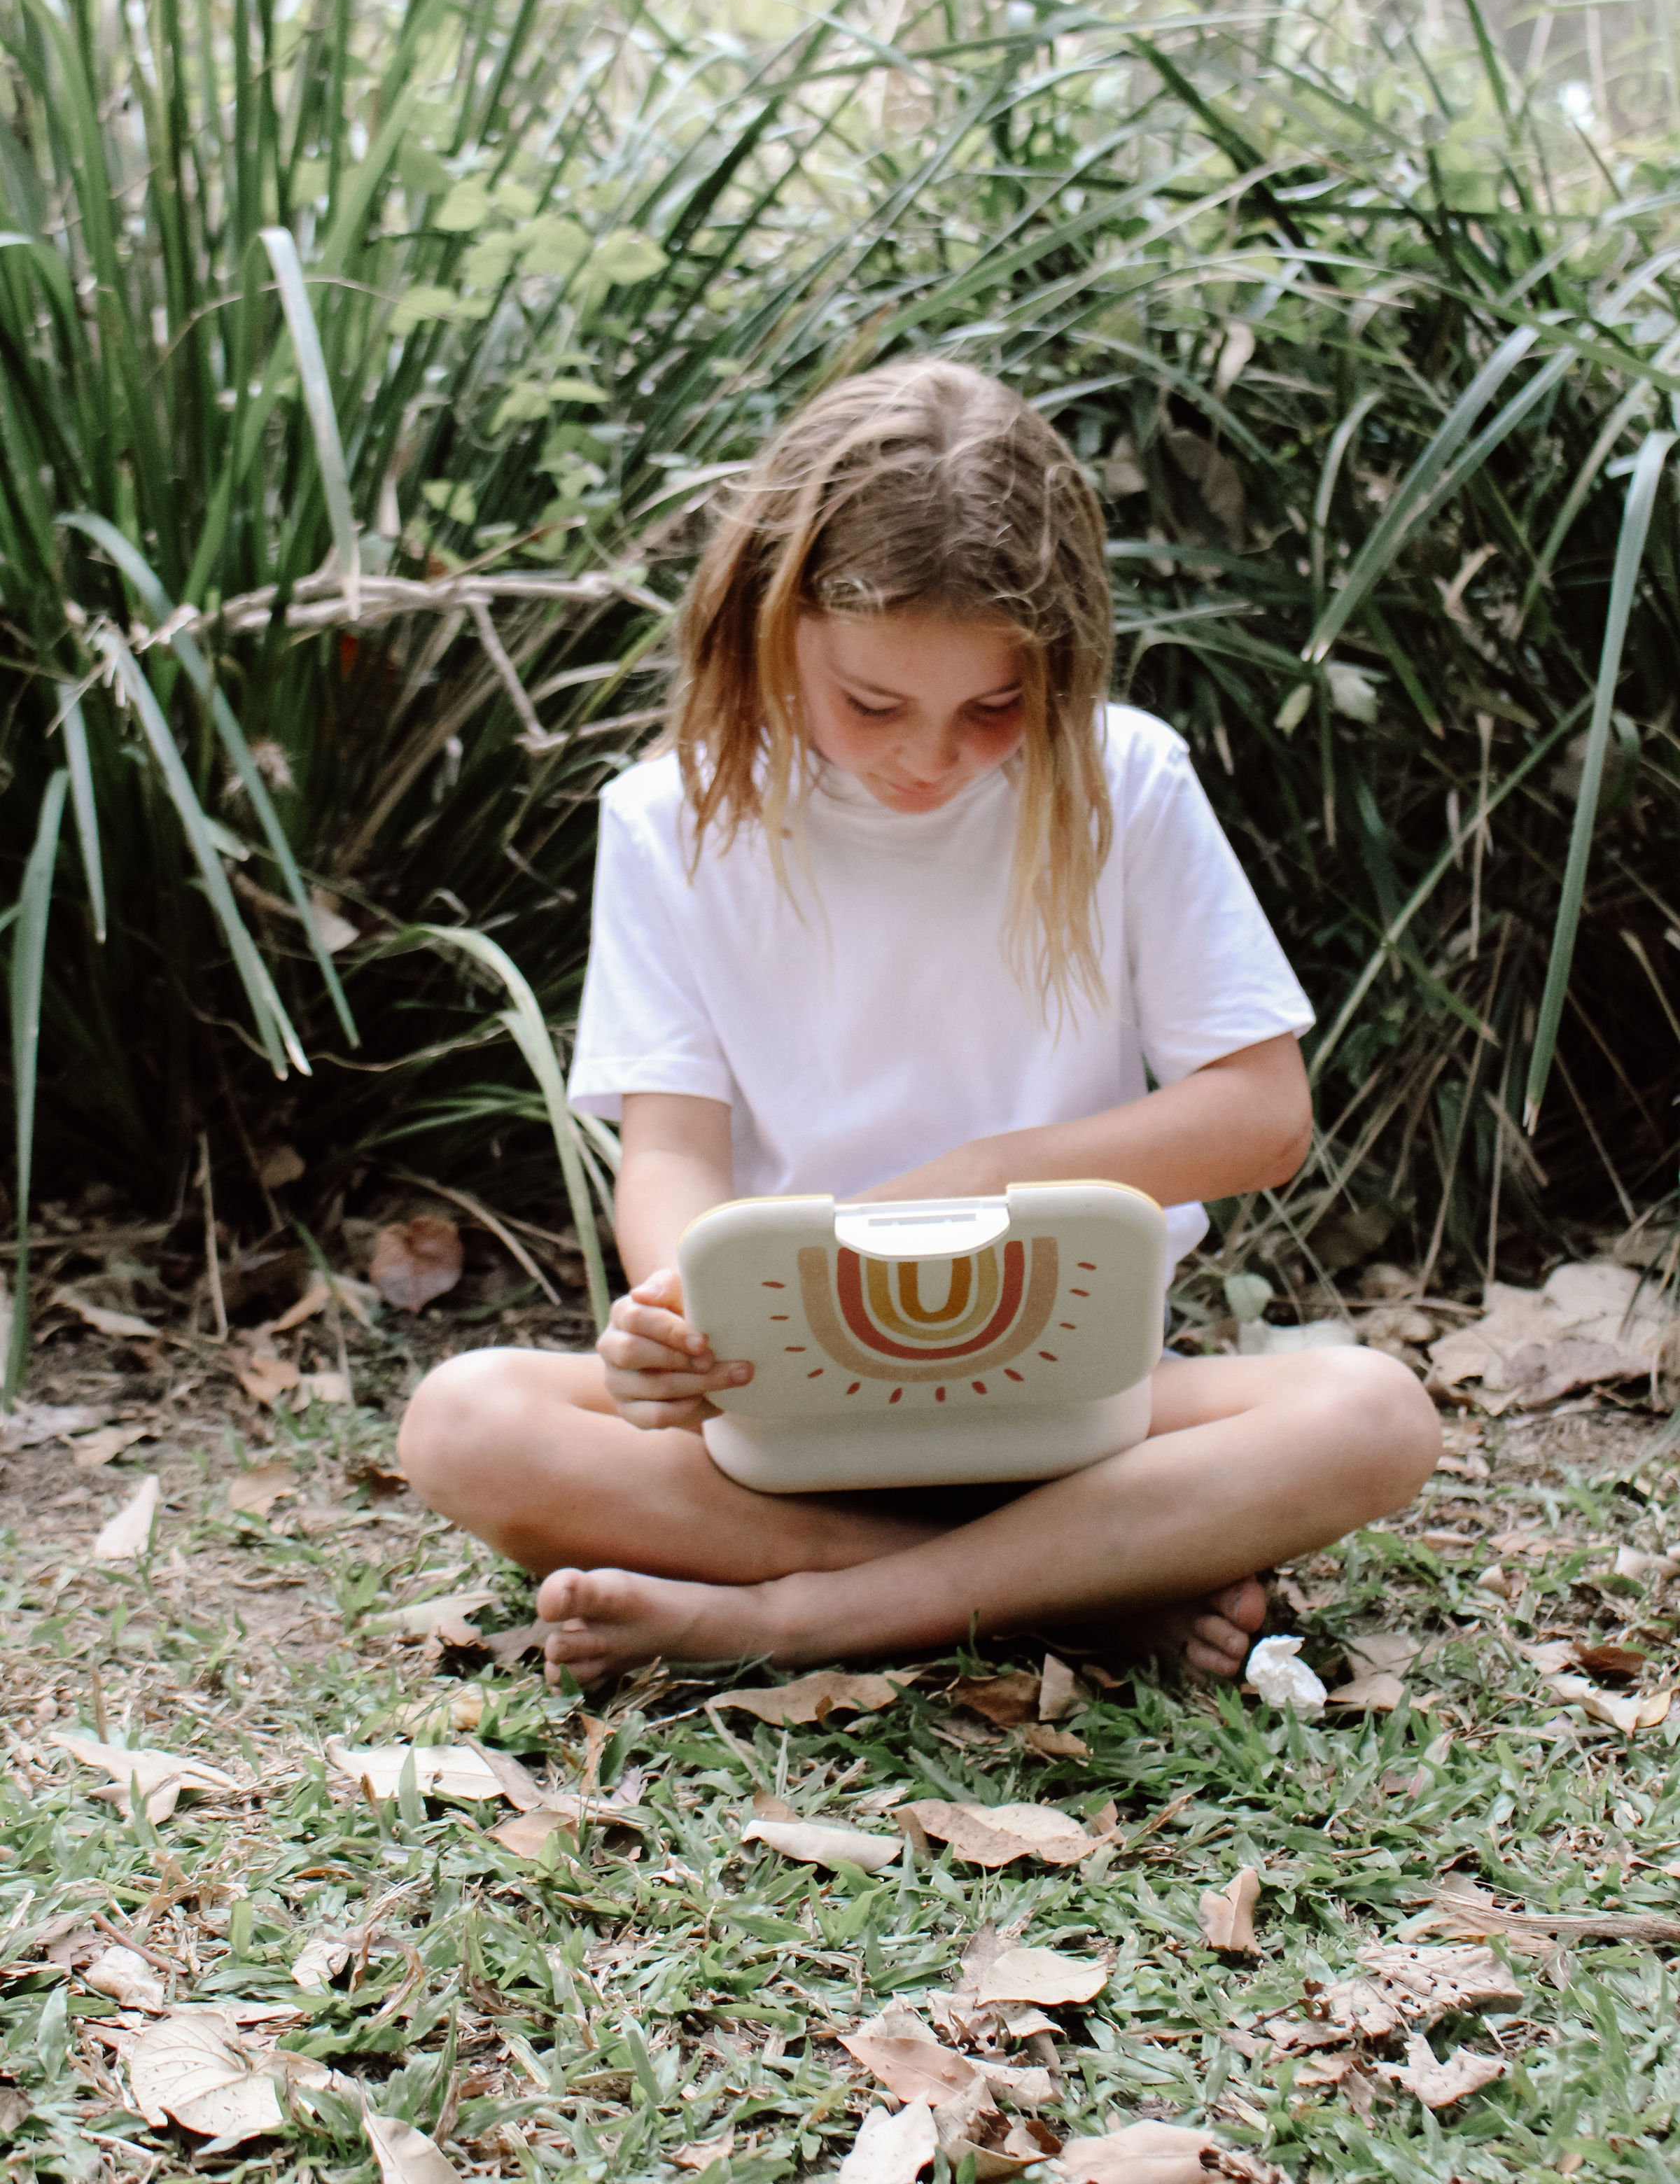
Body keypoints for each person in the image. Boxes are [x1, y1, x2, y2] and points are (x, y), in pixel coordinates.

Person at [399, 360, 1439, 1688]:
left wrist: (981, 1177)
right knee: (462, 1421)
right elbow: (669, 1152)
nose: (931, 757)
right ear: (771, 627)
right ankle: (1078, 1585)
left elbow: (1261, 1115)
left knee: (1372, 1414)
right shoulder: (670, 817)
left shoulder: (1125, 778)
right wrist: (675, 1317)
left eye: (994, 708)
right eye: (873, 704)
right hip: (788, 1406)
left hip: (1075, 1393)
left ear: (1055, 667)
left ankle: (798, 1613)